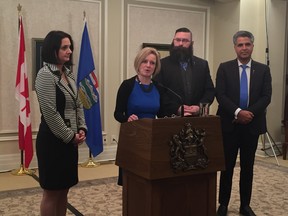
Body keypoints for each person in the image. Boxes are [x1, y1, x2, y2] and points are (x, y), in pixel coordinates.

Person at [215, 30, 272, 216]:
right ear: (235, 47)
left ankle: (245, 206)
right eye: (240, 45)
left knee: (248, 167)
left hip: (252, 126)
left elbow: (266, 96)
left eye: (247, 44)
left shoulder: (263, 70)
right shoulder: (224, 68)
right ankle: (223, 204)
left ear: (252, 46)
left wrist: (249, 114)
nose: (244, 48)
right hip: (229, 125)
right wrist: (238, 112)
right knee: (227, 167)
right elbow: (220, 95)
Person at [35, 31, 87, 216]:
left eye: (70, 47)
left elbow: (78, 104)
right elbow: (50, 113)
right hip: (52, 142)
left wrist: (81, 129)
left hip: (69, 142)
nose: (70, 51)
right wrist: (70, 136)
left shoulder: (69, 75)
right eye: (64, 47)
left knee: (64, 189)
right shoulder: (44, 75)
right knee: (51, 192)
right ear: (53, 50)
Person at [114, 47, 163, 185]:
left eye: (152, 63)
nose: (148, 65)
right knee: (131, 181)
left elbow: (161, 113)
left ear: (156, 66)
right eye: (144, 61)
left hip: (151, 139)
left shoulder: (159, 87)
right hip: (132, 139)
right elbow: (117, 114)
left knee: (148, 180)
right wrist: (127, 118)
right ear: (138, 63)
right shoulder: (127, 85)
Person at [153, 27, 215, 117]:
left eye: (185, 40)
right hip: (170, 118)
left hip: (197, 119)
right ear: (173, 41)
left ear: (192, 43)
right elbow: (158, 92)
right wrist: (177, 108)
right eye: (177, 40)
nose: (180, 43)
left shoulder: (202, 65)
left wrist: (199, 107)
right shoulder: (162, 64)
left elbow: (209, 91)